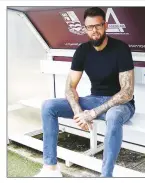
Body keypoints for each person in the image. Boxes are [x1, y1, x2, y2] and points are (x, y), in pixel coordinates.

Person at [35, 7, 135, 177]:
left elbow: (127, 92)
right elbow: (69, 87)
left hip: (120, 105)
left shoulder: (121, 49)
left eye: (98, 26)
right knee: (48, 106)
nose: (94, 31)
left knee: (113, 116)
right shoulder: (83, 50)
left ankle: (106, 176)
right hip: (93, 99)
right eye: (90, 27)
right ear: (85, 28)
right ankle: (50, 169)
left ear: (106, 26)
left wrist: (93, 113)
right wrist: (78, 112)